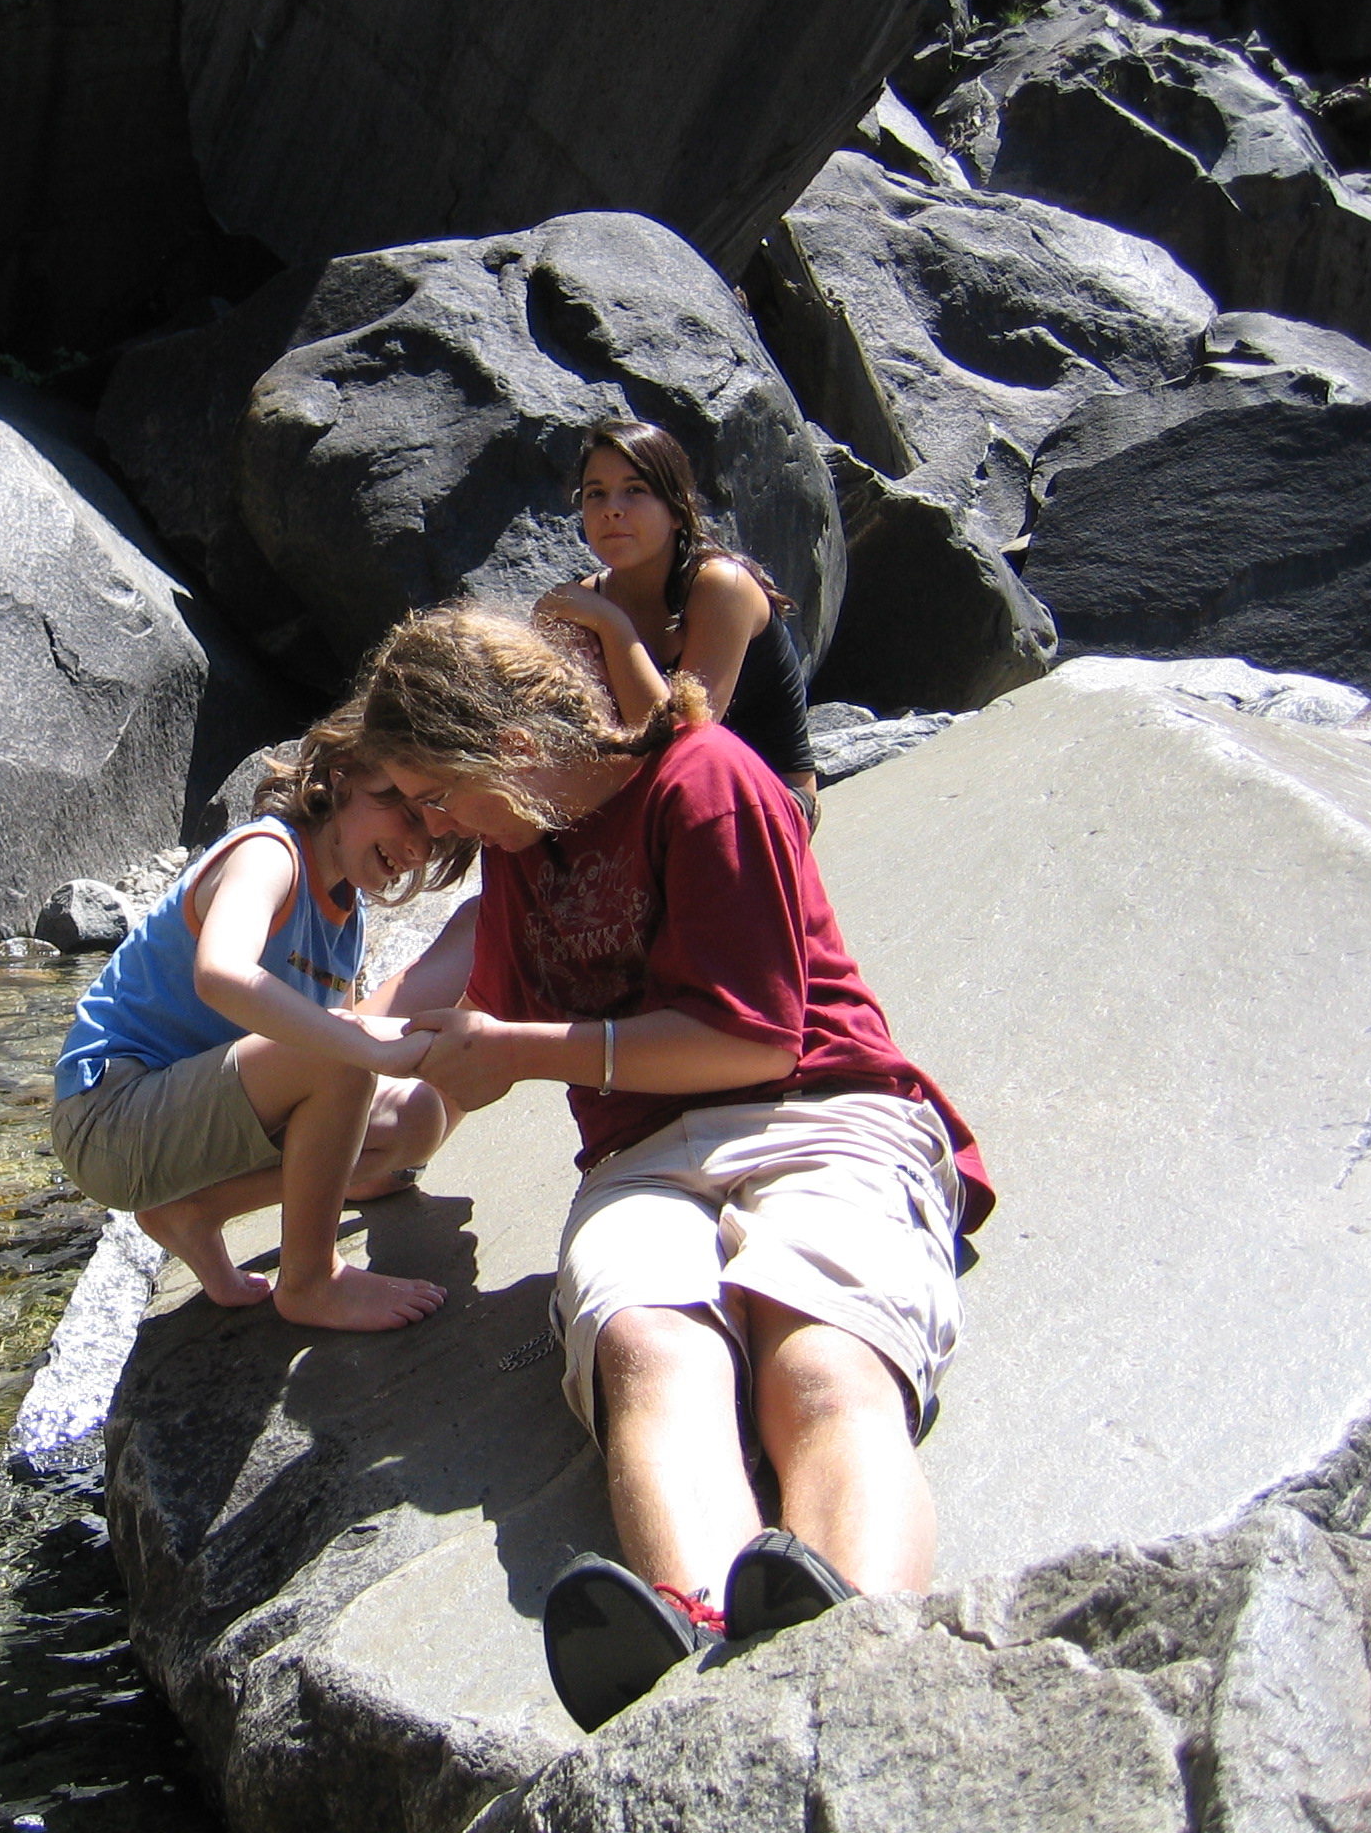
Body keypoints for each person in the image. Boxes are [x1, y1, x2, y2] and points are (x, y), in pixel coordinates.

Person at [355, 604, 991, 1730]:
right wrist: (387, 1134)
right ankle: (701, 1637)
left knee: (820, 1356)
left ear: (511, 745)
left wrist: (528, 1050)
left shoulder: (705, 781)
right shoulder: (522, 854)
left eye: (436, 792)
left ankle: (857, 1653)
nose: (433, 824)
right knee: (648, 1346)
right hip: (640, 1157)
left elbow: (754, 1040)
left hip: (819, 1110)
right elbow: (488, 1040)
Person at [51, 706, 480, 1332]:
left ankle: (193, 1213)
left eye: (435, 841)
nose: (417, 849)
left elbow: (323, 1076)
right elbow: (220, 973)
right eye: (409, 815)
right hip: (110, 1118)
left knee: (412, 1120)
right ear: (341, 775)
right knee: (343, 1052)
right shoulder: (269, 853)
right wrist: (370, 1049)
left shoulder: (347, 918)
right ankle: (311, 1282)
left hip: (190, 1121)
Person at [533, 418, 820, 824]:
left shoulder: (721, 586)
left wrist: (614, 627)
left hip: (764, 799)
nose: (612, 509)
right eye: (596, 494)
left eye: (635, 490)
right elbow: (575, 739)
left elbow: (685, 744)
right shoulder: (580, 603)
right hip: (650, 796)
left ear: (676, 511)